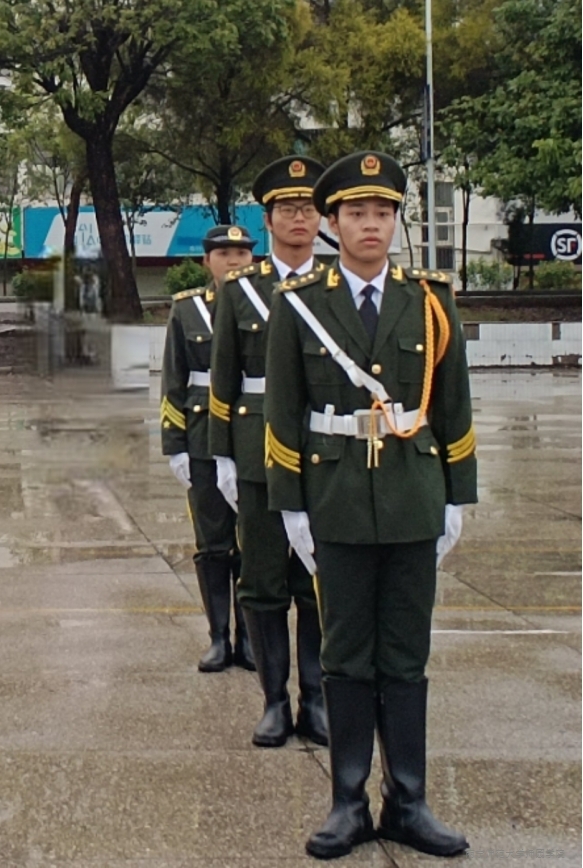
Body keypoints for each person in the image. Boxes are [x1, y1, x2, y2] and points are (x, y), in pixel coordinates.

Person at [263, 152, 475, 860]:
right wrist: (291, 507)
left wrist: (457, 496)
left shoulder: (429, 300)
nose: (371, 225)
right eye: (356, 213)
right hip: (337, 499)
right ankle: (348, 803)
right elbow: (283, 411)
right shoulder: (300, 304)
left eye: (382, 213)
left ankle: (408, 802)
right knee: (348, 656)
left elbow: (452, 404)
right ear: (332, 223)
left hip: (414, 495)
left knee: (406, 656)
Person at [210, 157, 330, 748]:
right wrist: (223, 458)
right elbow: (223, 380)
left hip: (321, 451)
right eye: (287, 208)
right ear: (269, 218)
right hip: (257, 451)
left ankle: (318, 698)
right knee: (261, 581)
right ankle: (275, 701)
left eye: (308, 208)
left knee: (317, 581)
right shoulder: (241, 290)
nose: (298, 217)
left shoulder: (333, 285)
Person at [161, 225, 256, 673]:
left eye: (242, 253)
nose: (234, 261)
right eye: (224, 253)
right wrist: (175, 445)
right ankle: (219, 636)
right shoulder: (188, 309)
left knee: (255, 543)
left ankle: (251, 638)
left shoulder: (269, 304)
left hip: (251, 435)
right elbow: (173, 379)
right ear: (206, 261)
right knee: (214, 542)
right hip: (201, 436)